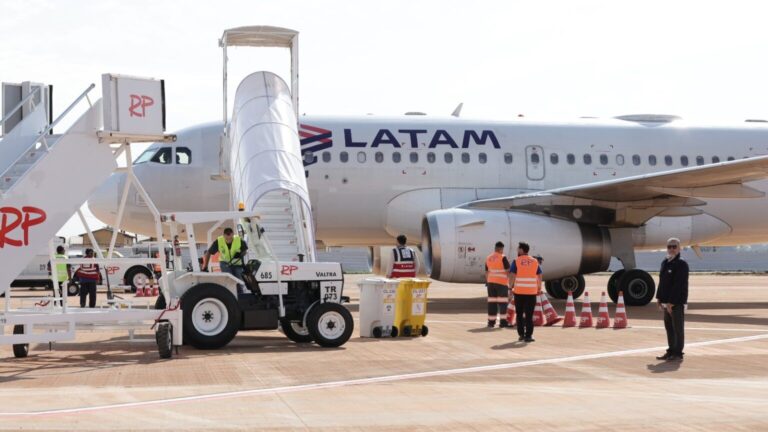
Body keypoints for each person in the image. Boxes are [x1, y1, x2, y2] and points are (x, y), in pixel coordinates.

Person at [655, 237, 689, 362]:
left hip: (676, 303)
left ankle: (678, 353)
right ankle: (670, 350)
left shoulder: (681, 264)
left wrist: (671, 302)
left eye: (674, 246)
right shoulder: (665, 262)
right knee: (669, 328)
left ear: (679, 248)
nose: (672, 249)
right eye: (669, 247)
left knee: (678, 328)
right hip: (665, 302)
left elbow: (679, 285)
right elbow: (662, 281)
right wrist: (659, 298)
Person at [509, 242, 542, 342]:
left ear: (522, 250)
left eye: (518, 249)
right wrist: (539, 288)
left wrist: (510, 288)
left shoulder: (516, 261)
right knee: (529, 315)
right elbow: (539, 275)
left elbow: (512, 275)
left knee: (519, 314)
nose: (517, 250)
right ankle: (529, 336)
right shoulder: (535, 261)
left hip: (519, 292)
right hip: (531, 292)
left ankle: (521, 335)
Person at [202, 227, 248, 294]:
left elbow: (245, 250)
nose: (229, 240)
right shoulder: (219, 241)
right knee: (230, 279)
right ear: (224, 235)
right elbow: (208, 253)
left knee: (239, 280)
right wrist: (205, 266)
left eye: (230, 238)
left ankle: (241, 295)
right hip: (225, 263)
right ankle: (230, 295)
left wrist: (240, 254)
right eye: (227, 238)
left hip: (237, 263)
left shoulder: (239, 240)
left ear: (233, 234)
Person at [485, 241, 511, 328]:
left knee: (492, 303)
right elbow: (508, 271)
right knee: (503, 303)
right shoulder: (503, 257)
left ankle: (491, 322)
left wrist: (488, 282)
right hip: (501, 283)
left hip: (490, 283)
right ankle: (503, 322)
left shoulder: (488, 257)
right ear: (500, 249)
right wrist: (510, 283)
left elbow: (486, 272)